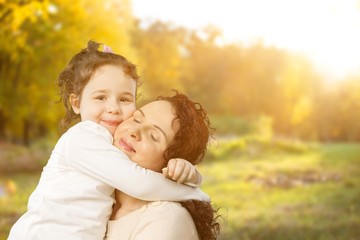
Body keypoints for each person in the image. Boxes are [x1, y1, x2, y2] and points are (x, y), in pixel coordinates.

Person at [7, 41, 209, 240]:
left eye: (124, 99)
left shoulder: (163, 220)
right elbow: (140, 183)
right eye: (101, 98)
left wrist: (184, 171)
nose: (113, 108)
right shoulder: (82, 138)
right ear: (76, 103)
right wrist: (193, 191)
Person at [104, 93, 220, 240]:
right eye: (137, 119)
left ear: (172, 162)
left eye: (153, 136)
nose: (134, 132)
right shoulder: (98, 195)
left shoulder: (165, 218)